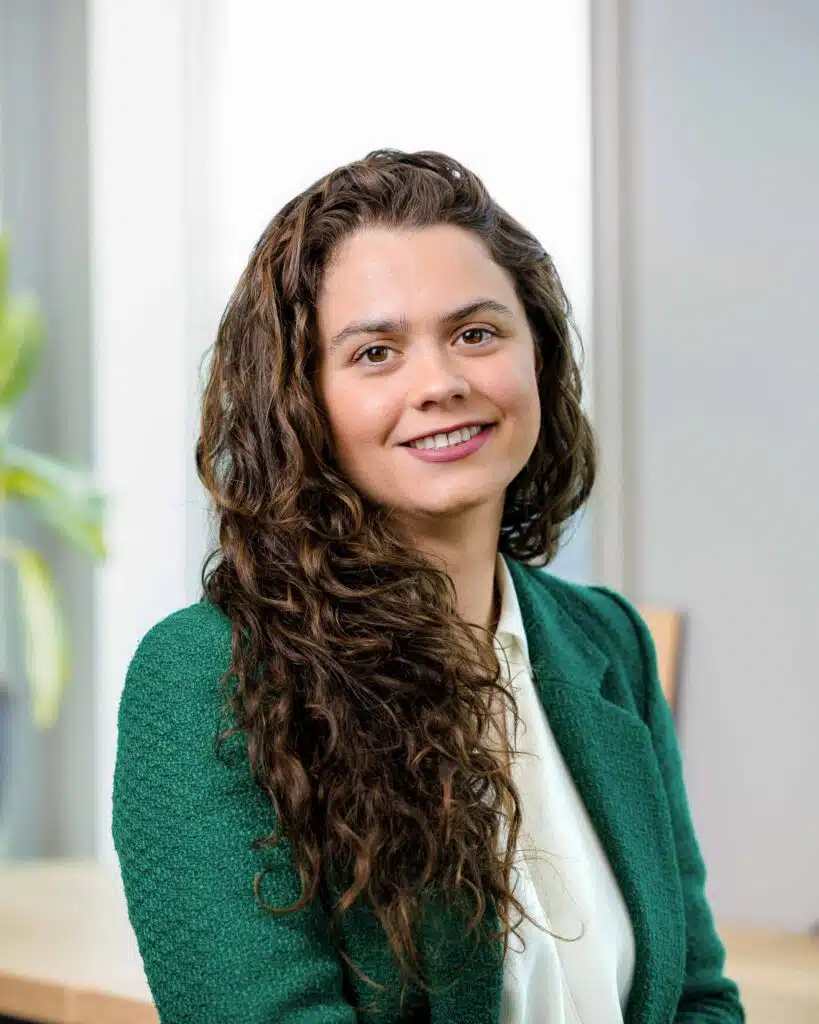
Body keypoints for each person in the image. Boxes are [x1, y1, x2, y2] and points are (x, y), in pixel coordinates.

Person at [112, 149, 745, 1023]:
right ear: (299, 400)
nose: (441, 384)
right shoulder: (206, 674)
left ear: (538, 355)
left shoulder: (609, 642)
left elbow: (697, 997)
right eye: (375, 352)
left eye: (476, 334)